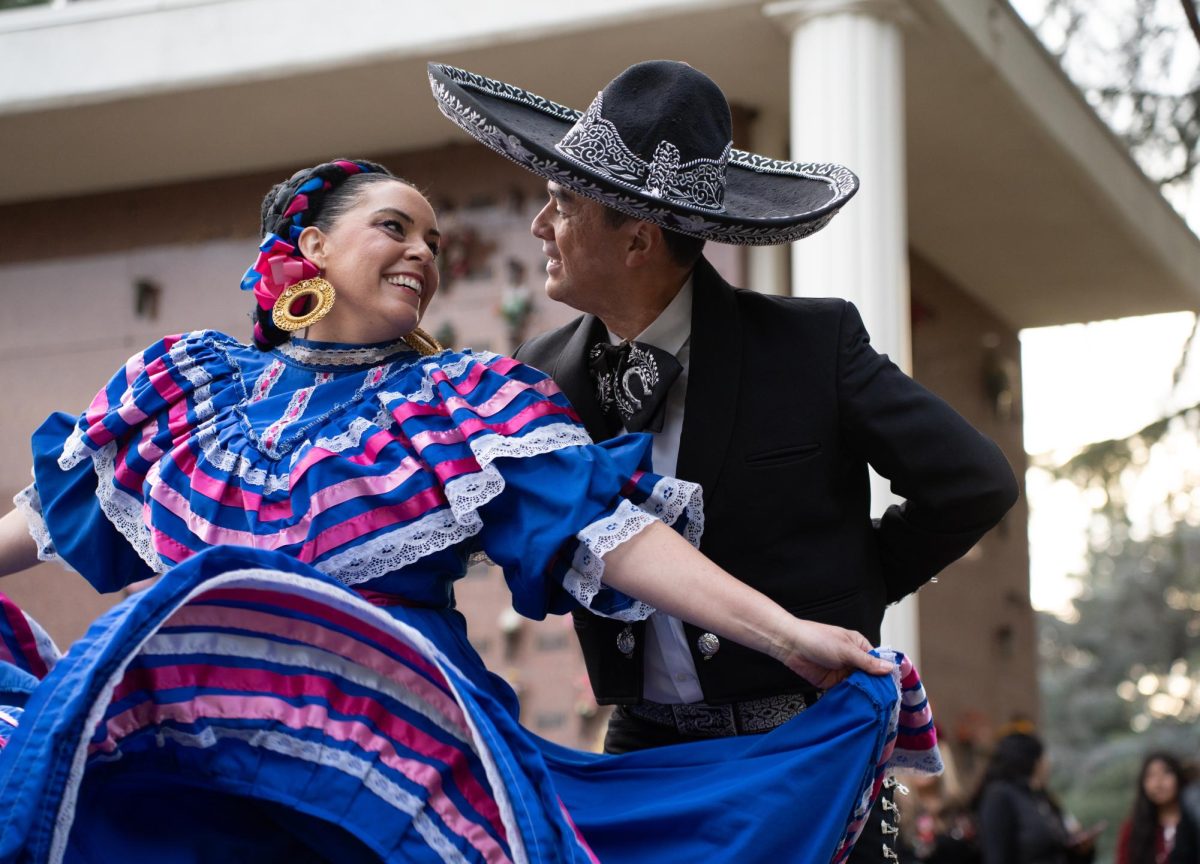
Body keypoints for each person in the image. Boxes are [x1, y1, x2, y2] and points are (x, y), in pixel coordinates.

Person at [0, 158, 939, 862]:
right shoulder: (185, 390)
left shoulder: (465, 401)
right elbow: (40, 524)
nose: (421, 253)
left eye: (435, 243)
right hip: (204, 763)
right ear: (311, 247)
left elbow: (614, 538)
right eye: (394, 228)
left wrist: (784, 634)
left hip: (402, 761)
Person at [427, 58, 1018, 862]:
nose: (540, 226)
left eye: (563, 204)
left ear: (637, 238)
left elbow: (973, 481)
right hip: (641, 752)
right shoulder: (543, 370)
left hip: (805, 744)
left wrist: (851, 587)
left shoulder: (813, 344)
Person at [971, 732, 1097, 864]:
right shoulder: (1001, 796)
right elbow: (996, 855)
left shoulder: (1042, 798)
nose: (1048, 764)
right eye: (1044, 757)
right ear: (1035, 762)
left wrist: (1082, 851)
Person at [1117, 752, 1196, 864]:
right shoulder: (1133, 829)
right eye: (1150, 776)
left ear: (1179, 776)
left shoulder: (1194, 821)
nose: (1158, 783)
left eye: (1166, 772)